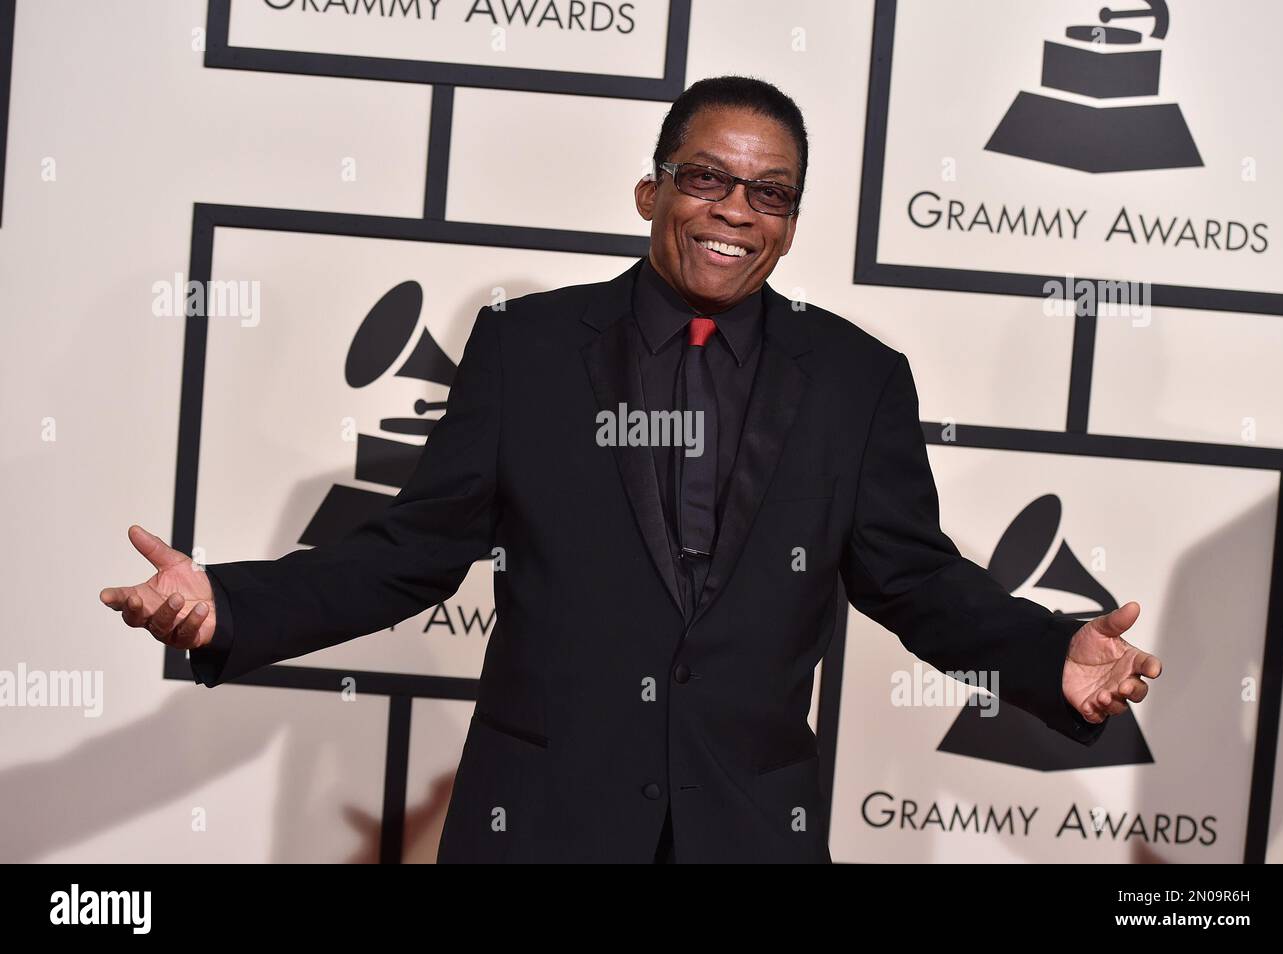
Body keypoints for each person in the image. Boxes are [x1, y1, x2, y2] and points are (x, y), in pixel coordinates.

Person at [100, 76, 1161, 863]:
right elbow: (409, 554)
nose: (736, 211)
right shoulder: (527, 349)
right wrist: (225, 604)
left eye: (771, 194)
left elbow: (912, 577)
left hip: (750, 828)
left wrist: (1042, 653)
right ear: (651, 189)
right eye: (708, 179)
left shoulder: (855, 377)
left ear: (791, 220)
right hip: (543, 821)